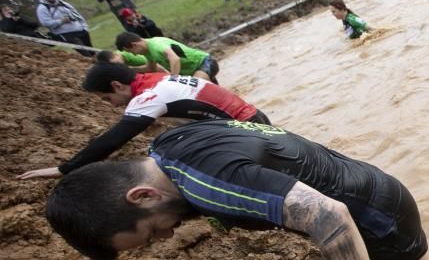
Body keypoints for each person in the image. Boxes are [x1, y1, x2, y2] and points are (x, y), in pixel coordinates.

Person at [44, 119, 429, 260]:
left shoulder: (205, 184)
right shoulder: (167, 145)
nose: (167, 236)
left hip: (374, 210)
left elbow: (328, 216)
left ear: (142, 196)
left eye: (153, 231)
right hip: (355, 182)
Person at [18, 62, 270, 180]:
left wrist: (64, 169)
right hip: (253, 119)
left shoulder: (149, 96)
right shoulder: (154, 78)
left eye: (107, 99)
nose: (111, 105)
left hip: (248, 131)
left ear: (117, 85)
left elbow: (114, 139)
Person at [116, 31, 220, 83]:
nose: (134, 54)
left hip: (204, 63)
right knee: (215, 96)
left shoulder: (156, 45)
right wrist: (129, 70)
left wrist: (174, 80)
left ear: (134, 45)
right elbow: (151, 68)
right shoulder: (148, 51)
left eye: (130, 51)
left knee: (195, 87)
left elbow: (175, 58)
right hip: (194, 70)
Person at [94, 48, 159, 72]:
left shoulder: (131, 56)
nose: (116, 66)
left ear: (116, 54)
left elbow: (156, 65)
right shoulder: (119, 59)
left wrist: (132, 69)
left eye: (114, 63)